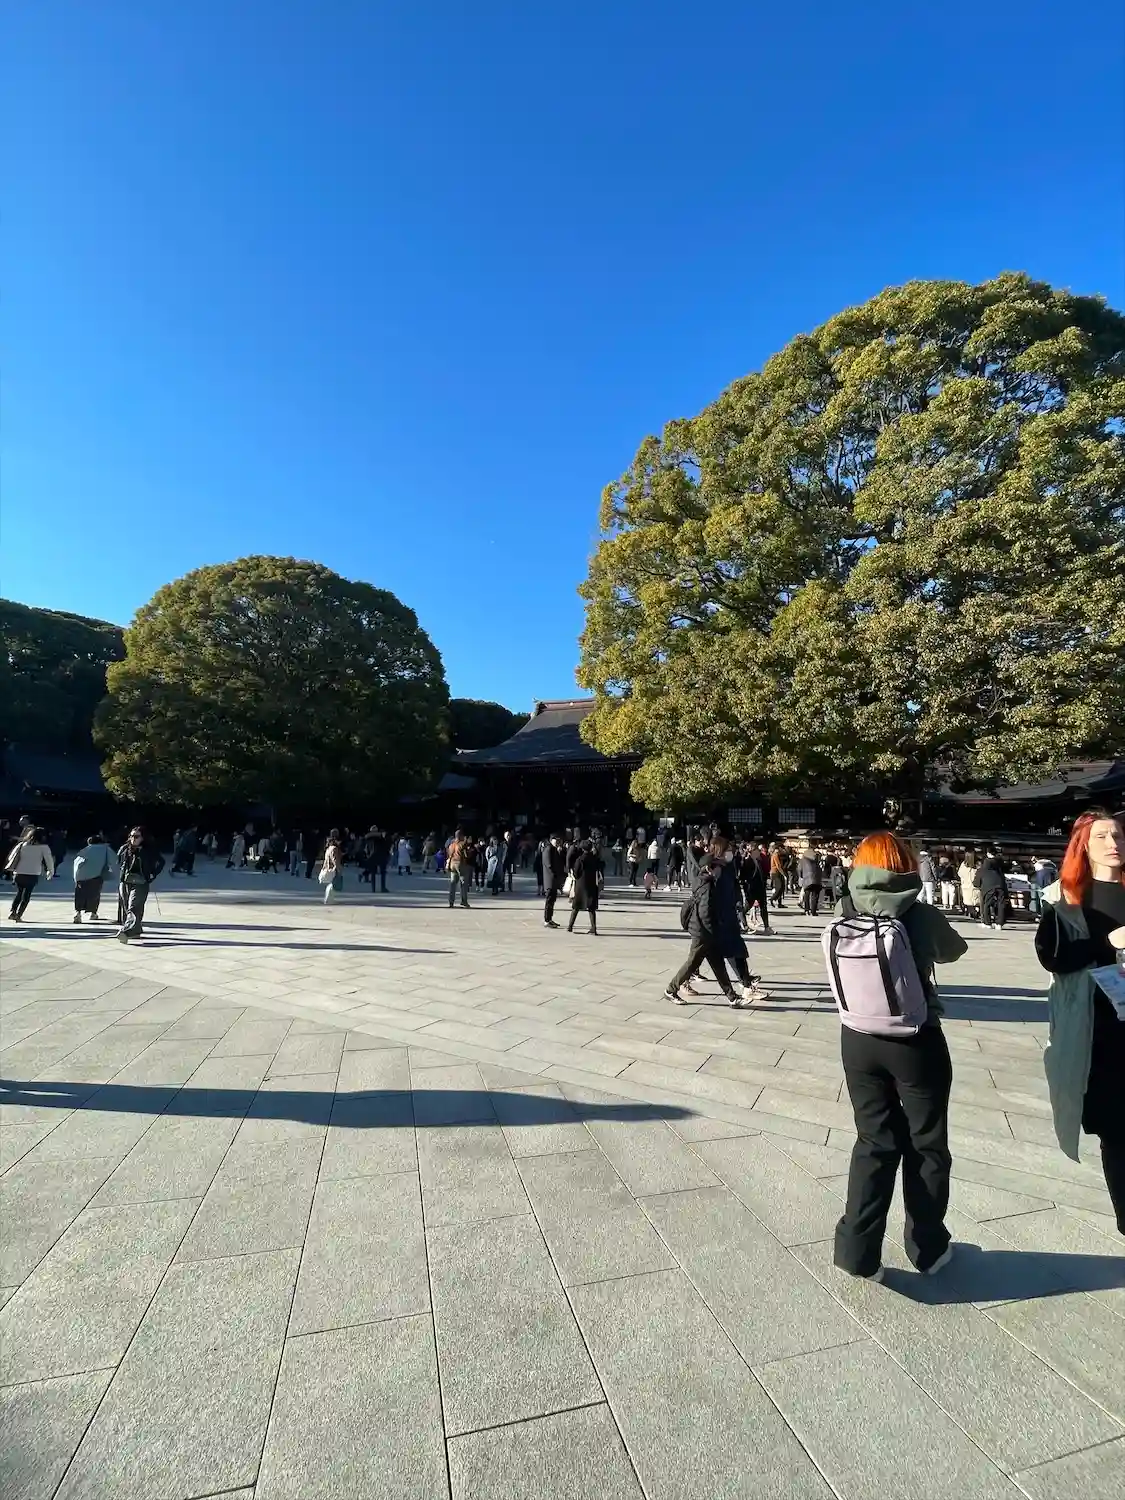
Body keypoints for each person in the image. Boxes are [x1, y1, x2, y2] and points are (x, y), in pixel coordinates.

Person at [831, 831, 968, 1281]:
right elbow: (954, 950)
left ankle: (856, 1253)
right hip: (914, 1038)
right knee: (927, 1142)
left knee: (873, 1140)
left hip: (857, 1036)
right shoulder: (917, 911)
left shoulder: (846, 905)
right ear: (903, 863)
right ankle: (927, 1248)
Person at [1035, 810, 1125, 1233]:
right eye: (1102, 836)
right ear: (1083, 846)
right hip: (1100, 1031)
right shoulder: (1065, 900)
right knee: (1117, 1130)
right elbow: (1053, 958)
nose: (1113, 843)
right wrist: (1107, 942)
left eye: (1118, 835)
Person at [666, 836, 766, 1006]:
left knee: (717, 963)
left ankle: (732, 998)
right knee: (693, 962)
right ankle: (671, 989)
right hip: (702, 928)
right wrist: (712, 929)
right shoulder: (708, 880)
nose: (730, 854)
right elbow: (705, 909)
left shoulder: (715, 874)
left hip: (711, 927)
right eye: (728, 850)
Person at [116, 827, 165, 942]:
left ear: (143, 838)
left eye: (136, 836)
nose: (133, 839)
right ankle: (135, 930)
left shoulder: (148, 850)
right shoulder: (125, 848)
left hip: (141, 882)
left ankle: (127, 931)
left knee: (134, 906)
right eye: (131, 836)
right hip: (126, 881)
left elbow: (161, 862)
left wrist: (153, 873)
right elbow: (119, 861)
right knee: (127, 907)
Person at [6, 826, 55, 921]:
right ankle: (19, 915)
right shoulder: (44, 848)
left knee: (19, 893)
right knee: (27, 894)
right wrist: (50, 871)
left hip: (19, 872)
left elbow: (11, 857)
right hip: (33, 873)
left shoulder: (22, 844)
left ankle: (13, 911)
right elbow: (49, 861)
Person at [72, 833, 116, 923]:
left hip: (80, 876)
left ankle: (78, 913)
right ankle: (93, 913)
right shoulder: (105, 849)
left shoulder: (86, 849)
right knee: (94, 895)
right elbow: (114, 860)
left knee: (80, 895)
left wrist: (76, 877)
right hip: (96, 875)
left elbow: (77, 862)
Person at [566, 839, 602, 935]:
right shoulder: (594, 859)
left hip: (581, 885)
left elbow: (576, 873)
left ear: (582, 848)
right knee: (591, 908)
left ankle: (570, 926)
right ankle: (593, 928)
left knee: (576, 907)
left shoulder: (580, 859)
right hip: (592, 884)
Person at [976, 848, 1008, 929]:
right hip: (1000, 884)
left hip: (988, 885)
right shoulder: (1000, 862)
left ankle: (987, 923)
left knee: (987, 904)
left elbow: (979, 876)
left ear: (988, 853)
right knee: (1001, 904)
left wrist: (977, 884)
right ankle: (999, 923)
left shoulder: (985, 864)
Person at [542, 833, 566, 927]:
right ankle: (547, 920)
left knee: (552, 901)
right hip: (550, 879)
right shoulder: (548, 849)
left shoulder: (555, 849)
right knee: (549, 901)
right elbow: (549, 865)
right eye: (556, 840)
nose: (557, 842)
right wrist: (555, 875)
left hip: (554, 880)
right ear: (551, 840)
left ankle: (550, 919)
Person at [446, 829, 474, 908]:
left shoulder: (451, 845)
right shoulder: (462, 844)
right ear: (461, 836)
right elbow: (466, 855)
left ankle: (451, 902)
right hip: (460, 864)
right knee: (463, 883)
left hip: (452, 864)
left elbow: (448, 854)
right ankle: (464, 901)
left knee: (453, 883)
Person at [319, 829, 343, 904]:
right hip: (332, 869)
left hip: (328, 868)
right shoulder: (334, 849)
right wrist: (338, 868)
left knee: (332, 884)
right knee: (333, 885)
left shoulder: (329, 848)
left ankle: (328, 899)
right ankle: (329, 900)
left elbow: (326, 860)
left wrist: (323, 868)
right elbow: (335, 860)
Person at [798, 846, 823, 916]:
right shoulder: (817, 856)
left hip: (807, 878)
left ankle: (807, 910)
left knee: (807, 894)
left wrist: (801, 876)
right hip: (817, 878)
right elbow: (821, 867)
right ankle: (813, 911)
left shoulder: (803, 858)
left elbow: (799, 868)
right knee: (815, 895)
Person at [769, 844, 787, 908]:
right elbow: (778, 866)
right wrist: (783, 874)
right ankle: (772, 899)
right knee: (779, 887)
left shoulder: (777, 855)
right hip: (776, 872)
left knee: (781, 887)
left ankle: (779, 903)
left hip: (777, 872)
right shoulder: (775, 855)